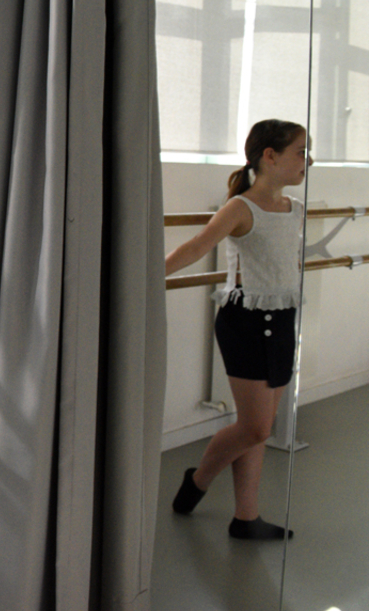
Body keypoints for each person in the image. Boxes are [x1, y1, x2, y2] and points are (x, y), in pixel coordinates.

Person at [164, 118, 312, 540]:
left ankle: (246, 517)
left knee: (258, 427)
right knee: (256, 427)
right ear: (270, 156)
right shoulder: (240, 208)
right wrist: (148, 275)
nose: (308, 161)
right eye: (300, 152)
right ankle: (199, 480)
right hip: (247, 321)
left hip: (283, 316)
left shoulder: (295, 209)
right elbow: (196, 246)